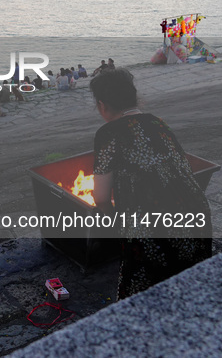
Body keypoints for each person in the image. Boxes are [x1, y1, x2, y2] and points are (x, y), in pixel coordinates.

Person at [90, 69, 212, 300]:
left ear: (102, 105)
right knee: (188, 288)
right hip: (196, 211)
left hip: (153, 223)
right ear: (135, 98)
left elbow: (102, 197)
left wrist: (114, 223)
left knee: (145, 296)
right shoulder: (159, 123)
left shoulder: (108, 133)